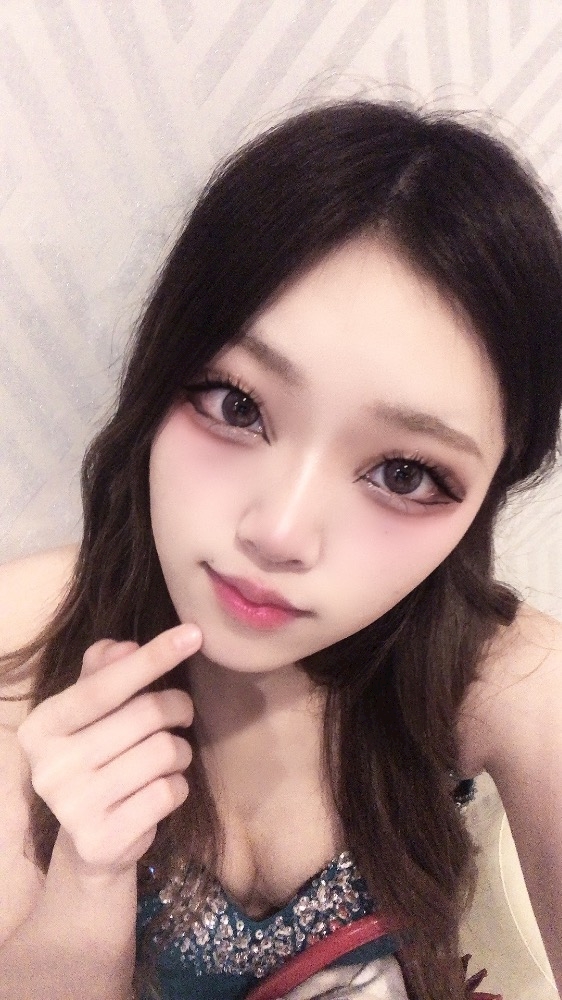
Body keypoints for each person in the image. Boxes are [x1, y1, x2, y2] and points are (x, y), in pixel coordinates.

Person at [0, 98, 561, 1000]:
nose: (279, 532)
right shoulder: (23, 645)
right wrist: (89, 879)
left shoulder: (505, 676)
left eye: (406, 473)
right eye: (236, 405)